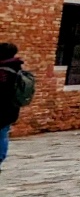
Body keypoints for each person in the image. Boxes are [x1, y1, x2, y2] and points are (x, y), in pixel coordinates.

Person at [0, 42, 25, 171]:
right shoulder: (17, 67)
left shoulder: (4, 72)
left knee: (1, 134)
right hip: (11, 109)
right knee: (3, 134)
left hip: (2, 109)